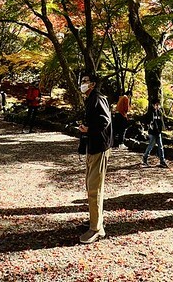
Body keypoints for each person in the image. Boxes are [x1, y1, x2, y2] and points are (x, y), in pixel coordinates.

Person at [77, 73, 112, 244]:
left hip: (99, 148)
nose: (82, 84)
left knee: (94, 188)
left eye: (85, 81)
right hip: (92, 147)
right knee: (90, 185)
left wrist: (88, 129)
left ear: (93, 84)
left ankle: (96, 228)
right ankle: (94, 220)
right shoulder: (90, 99)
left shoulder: (98, 98)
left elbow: (105, 120)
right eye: (81, 81)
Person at [142, 99, 169, 168]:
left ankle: (162, 161)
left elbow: (161, 122)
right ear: (153, 105)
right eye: (156, 105)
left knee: (160, 147)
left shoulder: (159, 112)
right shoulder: (150, 112)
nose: (157, 106)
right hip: (152, 132)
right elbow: (147, 121)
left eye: (158, 105)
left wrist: (162, 128)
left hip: (158, 132)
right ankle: (145, 158)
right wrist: (149, 126)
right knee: (151, 145)